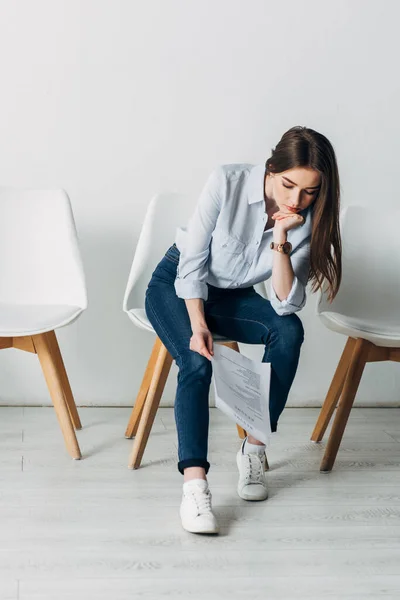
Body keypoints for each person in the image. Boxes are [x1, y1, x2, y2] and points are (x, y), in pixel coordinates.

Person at [145, 126, 342, 534]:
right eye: (288, 185)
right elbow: (193, 261)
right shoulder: (227, 181)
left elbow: (286, 302)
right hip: (176, 286)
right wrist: (198, 326)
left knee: (288, 330)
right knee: (196, 364)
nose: (295, 200)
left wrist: (282, 239)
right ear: (271, 169)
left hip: (231, 298)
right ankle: (195, 487)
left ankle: (254, 448)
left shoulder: (306, 218)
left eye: (309, 191)